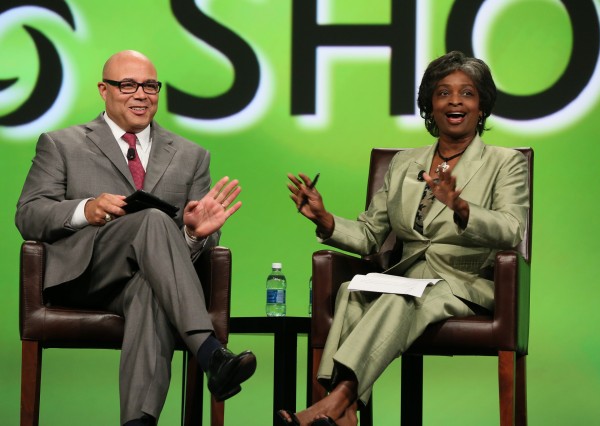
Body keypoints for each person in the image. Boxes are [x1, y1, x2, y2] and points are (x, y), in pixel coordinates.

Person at [281, 51, 529, 426]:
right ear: (431, 104)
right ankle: (342, 415)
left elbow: (512, 228)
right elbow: (369, 235)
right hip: (407, 277)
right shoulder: (403, 164)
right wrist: (326, 219)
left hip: (463, 283)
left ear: (482, 105)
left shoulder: (505, 162)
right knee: (353, 291)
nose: (455, 101)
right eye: (444, 92)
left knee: (403, 297)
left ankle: (334, 404)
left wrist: (461, 207)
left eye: (467, 93)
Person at [15, 50, 257, 425]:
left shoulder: (191, 157)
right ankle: (210, 352)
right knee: (154, 220)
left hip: (149, 281)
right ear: (103, 89)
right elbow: (28, 214)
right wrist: (85, 209)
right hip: (85, 276)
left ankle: (138, 422)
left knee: (151, 288)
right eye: (127, 85)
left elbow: (191, 252)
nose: (141, 94)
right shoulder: (62, 144)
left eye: (150, 86)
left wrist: (192, 234)